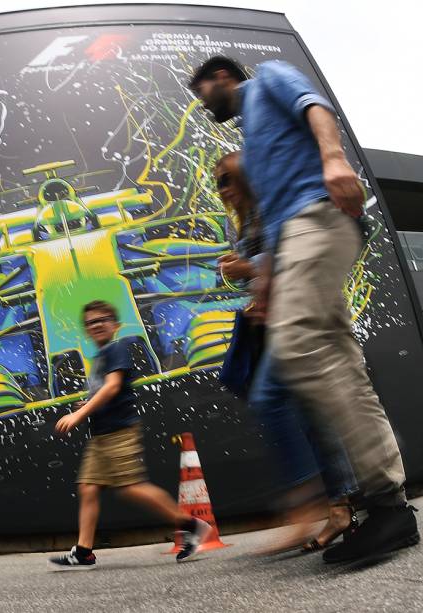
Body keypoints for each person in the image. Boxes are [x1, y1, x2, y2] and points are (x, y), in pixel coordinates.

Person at [190, 56, 419, 562]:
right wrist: (267, 284)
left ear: (222, 77)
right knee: (342, 364)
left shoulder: (268, 77)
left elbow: (314, 104)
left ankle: (368, 494)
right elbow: (270, 222)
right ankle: (386, 504)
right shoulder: (254, 136)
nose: (200, 101)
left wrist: (335, 159)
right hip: (296, 237)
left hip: (316, 218)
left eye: (200, 89)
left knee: (298, 348)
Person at [215, 152, 358, 552]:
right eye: (218, 182)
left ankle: (305, 504)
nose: (222, 189)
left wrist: (248, 268)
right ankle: (339, 504)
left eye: (227, 179)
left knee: (269, 399)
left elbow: (288, 252)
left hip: (301, 316)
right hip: (274, 322)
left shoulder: (269, 206)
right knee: (310, 414)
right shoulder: (238, 221)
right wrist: (242, 276)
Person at [48, 300, 210, 570]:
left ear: (115, 325)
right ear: (86, 330)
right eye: (91, 322)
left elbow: (112, 387)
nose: (97, 325)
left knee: (131, 487)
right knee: (88, 488)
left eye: (103, 319)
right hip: (101, 434)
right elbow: (105, 391)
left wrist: (80, 414)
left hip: (119, 431)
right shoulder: (101, 357)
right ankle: (84, 551)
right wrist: (86, 406)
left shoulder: (117, 348)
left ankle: (192, 526)